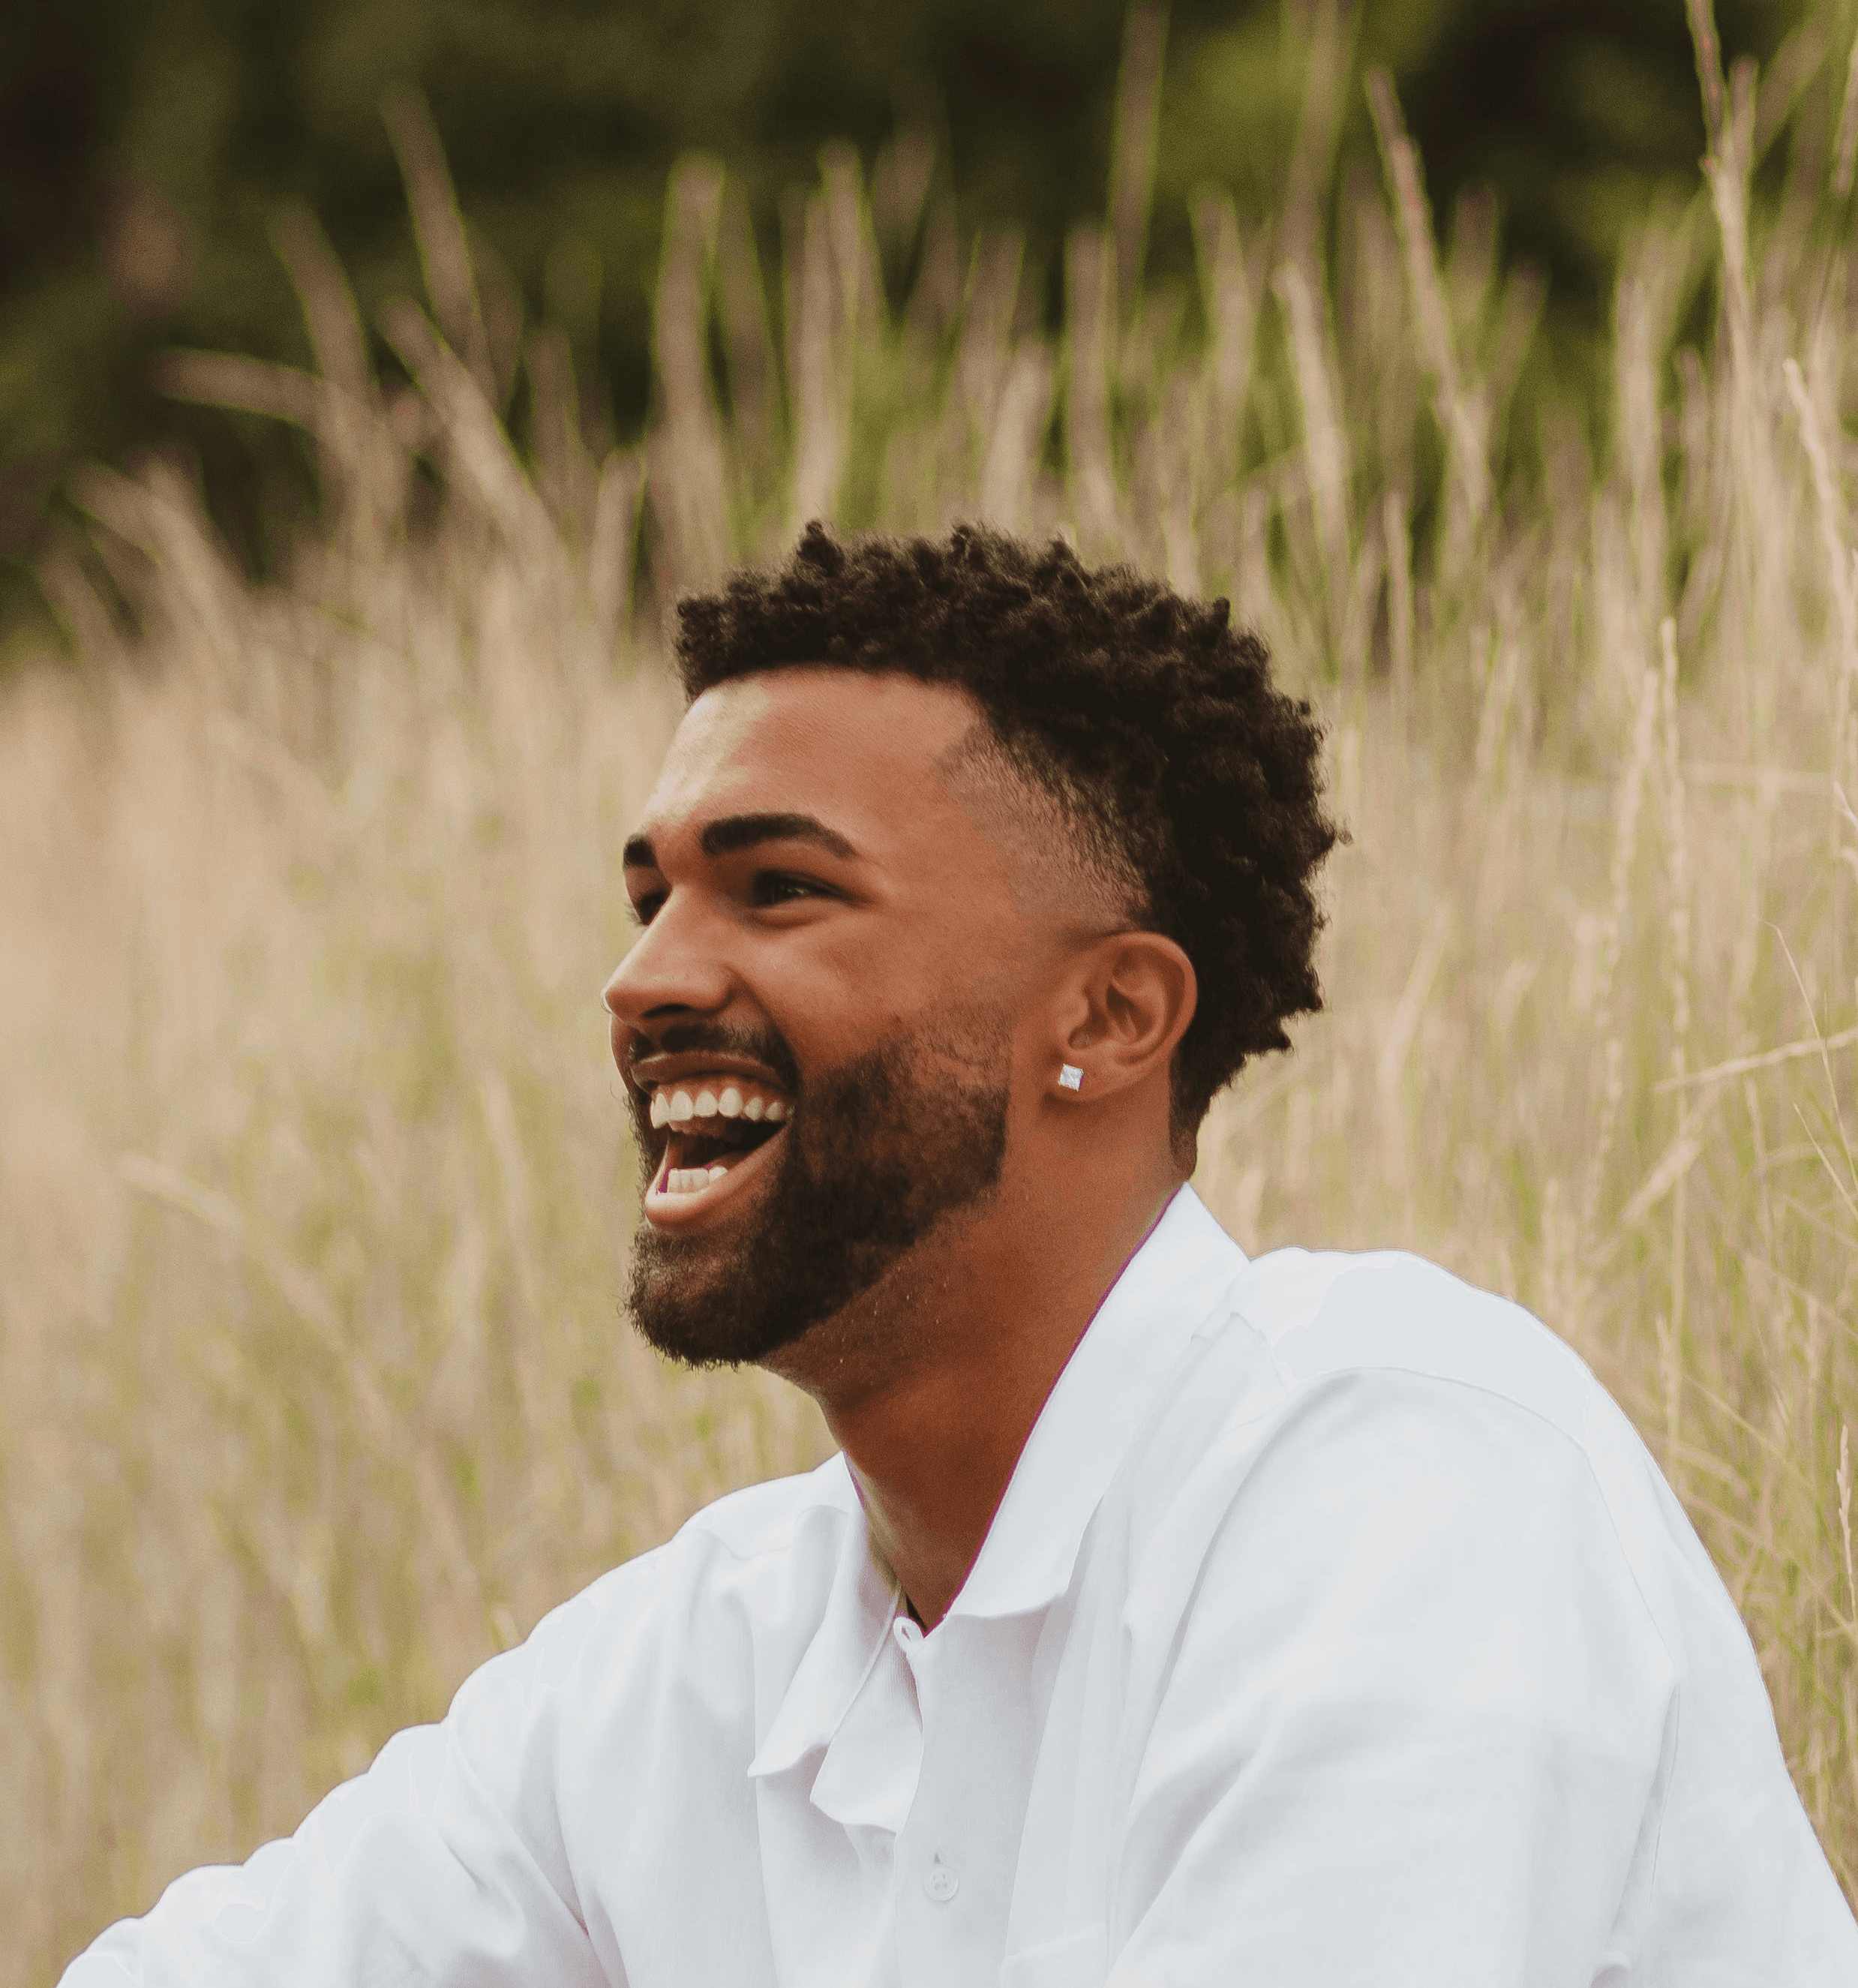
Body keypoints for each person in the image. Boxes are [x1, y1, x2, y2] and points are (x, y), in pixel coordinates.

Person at [65, 523, 1857, 1984]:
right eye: (649, 898)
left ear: (1106, 1011)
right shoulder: (707, 1656)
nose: (641, 981)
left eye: (777, 888)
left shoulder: (1402, 1485)